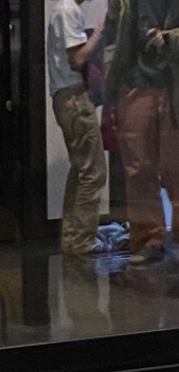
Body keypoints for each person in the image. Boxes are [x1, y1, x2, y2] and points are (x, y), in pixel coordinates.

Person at [104, 0, 179, 264]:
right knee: (138, 169)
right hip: (135, 85)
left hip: (174, 86)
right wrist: (110, 93)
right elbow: (112, 38)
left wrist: (169, 39)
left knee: (174, 168)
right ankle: (149, 240)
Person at [48, 0, 108, 256]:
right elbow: (78, 59)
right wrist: (100, 31)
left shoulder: (61, 10)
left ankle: (73, 238)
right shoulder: (68, 10)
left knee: (81, 170)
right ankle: (83, 241)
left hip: (65, 98)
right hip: (74, 98)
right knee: (93, 171)